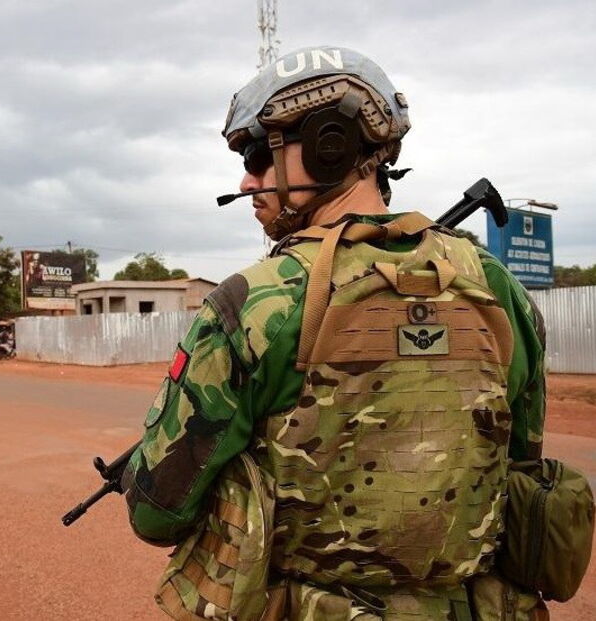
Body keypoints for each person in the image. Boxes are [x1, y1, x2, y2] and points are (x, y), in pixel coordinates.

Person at [121, 46, 547, 619]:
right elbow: (522, 469)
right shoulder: (497, 288)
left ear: (330, 145)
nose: (246, 179)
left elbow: (156, 514)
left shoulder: (253, 303)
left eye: (257, 155)